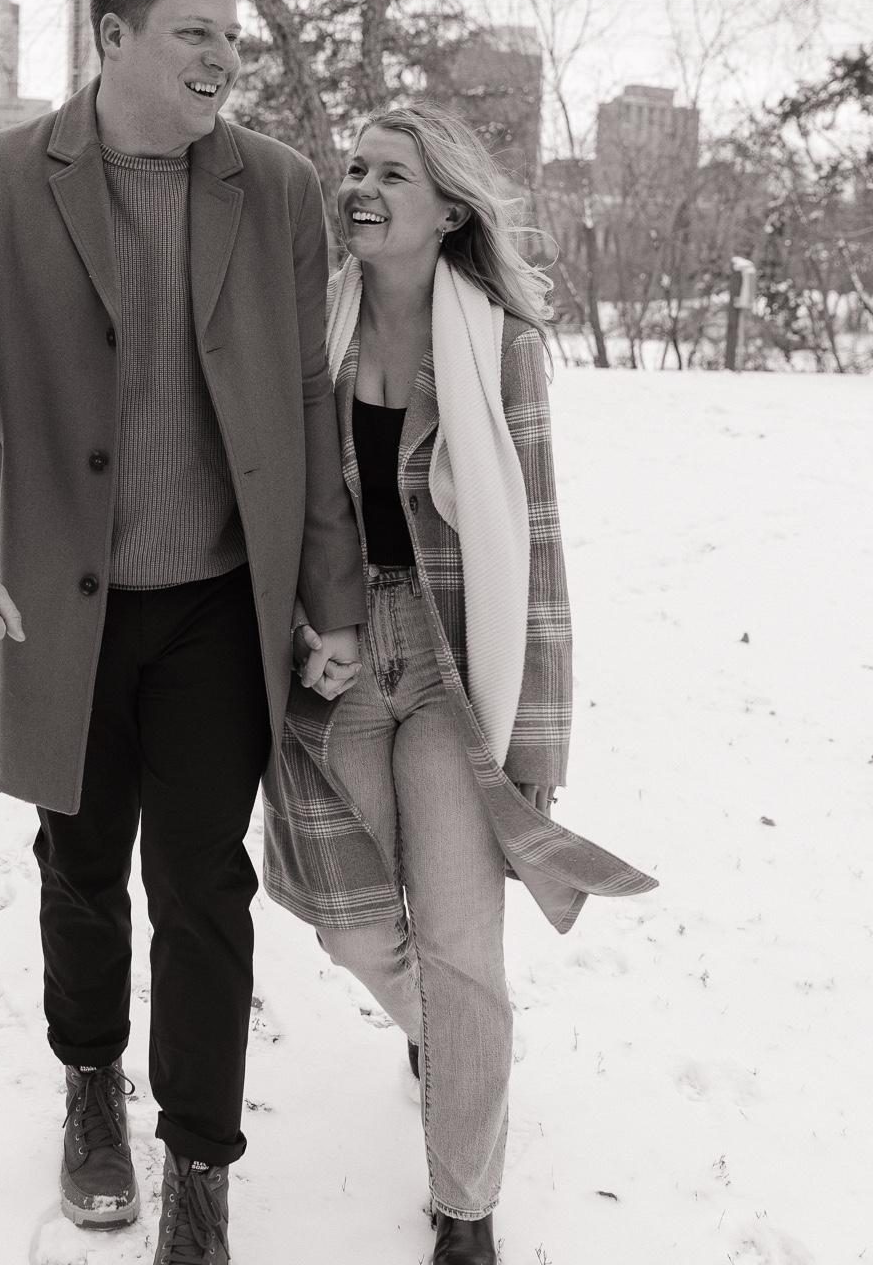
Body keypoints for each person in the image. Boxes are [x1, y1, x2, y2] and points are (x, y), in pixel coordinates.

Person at [0, 0, 365, 1265]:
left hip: (219, 607)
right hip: (65, 608)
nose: (223, 59)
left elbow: (308, 406)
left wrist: (329, 600)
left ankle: (200, 1165)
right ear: (112, 37)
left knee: (202, 884)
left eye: (232, 38)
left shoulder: (277, 188)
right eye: (196, 34)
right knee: (81, 867)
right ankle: (91, 1078)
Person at [261, 102, 658, 1265]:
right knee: (349, 927)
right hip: (334, 659)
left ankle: (467, 1206)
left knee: (458, 943)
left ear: (446, 210)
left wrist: (537, 744)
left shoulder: (500, 346)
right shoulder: (310, 328)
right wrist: (302, 628)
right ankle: (451, 1044)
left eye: (391, 173)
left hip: (453, 670)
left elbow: (537, 544)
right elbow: (274, 507)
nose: (359, 186)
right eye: (353, 167)